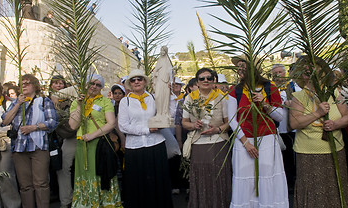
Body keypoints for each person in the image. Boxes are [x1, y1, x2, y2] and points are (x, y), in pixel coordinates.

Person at [289, 56, 348, 207]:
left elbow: (347, 117)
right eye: (305, 70)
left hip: (335, 150)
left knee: (335, 187)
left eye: (312, 68)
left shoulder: (334, 93)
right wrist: (317, 113)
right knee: (313, 191)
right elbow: (294, 123)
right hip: (308, 154)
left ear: (322, 72)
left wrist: (335, 124)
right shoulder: (299, 97)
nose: (308, 71)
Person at [228, 62, 289, 207]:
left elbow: (280, 117)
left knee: (267, 177)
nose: (240, 70)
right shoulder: (235, 90)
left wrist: (264, 104)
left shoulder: (269, 87)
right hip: (243, 141)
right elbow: (232, 120)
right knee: (245, 179)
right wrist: (246, 143)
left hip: (267, 139)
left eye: (244, 67)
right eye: (239, 68)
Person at [118, 69, 173, 208]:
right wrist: (146, 130)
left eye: (139, 79)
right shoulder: (126, 101)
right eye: (133, 80)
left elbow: (167, 114)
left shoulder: (154, 98)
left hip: (156, 145)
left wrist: (168, 94)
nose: (136, 81)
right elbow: (123, 126)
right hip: (135, 148)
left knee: (158, 182)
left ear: (144, 82)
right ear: (129, 84)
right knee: (137, 184)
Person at [2, 74, 58, 208]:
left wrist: (34, 127)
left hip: (38, 146)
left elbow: (52, 122)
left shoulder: (44, 101)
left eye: (28, 83)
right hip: (20, 148)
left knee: (40, 183)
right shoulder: (16, 102)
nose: (25, 86)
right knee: (25, 185)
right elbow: (5, 121)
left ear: (35, 86)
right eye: (22, 83)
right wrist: (18, 104)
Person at [68, 74, 122, 207]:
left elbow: (111, 123)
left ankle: (104, 203)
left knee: (100, 173)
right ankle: (87, 203)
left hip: (99, 144)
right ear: (86, 85)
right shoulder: (76, 102)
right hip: (82, 144)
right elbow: (73, 126)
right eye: (92, 83)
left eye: (98, 85)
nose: (94, 87)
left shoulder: (105, 102)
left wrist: (93, 135)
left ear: (102, 88)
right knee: (85, 175)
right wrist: (80, 106)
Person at [181, 68, 232, 208]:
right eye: (202, 79)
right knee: (201, 179)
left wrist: (217, 129)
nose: (205, 81)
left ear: (213, 80)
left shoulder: (221, 97)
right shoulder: (190, 98)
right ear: (197, 82)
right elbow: (184, 123)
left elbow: (229, 122)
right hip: (198, 143)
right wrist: (193, 124)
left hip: (219, 142)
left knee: (219, 178)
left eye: (209, 78)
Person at [48, 75, 76, 208]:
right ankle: (65, 200)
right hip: (57, 137)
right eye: (55, 83)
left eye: (61, 83)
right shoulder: (48, 100)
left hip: (71, 134)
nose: (58, 85)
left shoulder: (70, 97)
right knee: (59, 167)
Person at [0, 80, 21, 207]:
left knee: (6, 175)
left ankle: (12, 205)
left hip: (5, 142)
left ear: (0, 91)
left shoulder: (8, 103)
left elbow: (10, 123)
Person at [271, 63, 296, 194]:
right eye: (277, 72)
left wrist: (291, 104)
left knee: (290, 157)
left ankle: (291, 183)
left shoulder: (290, 87)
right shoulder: (269, 88)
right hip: (275, 129)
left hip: (290, 128)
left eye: (281, 72)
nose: (279, 74)